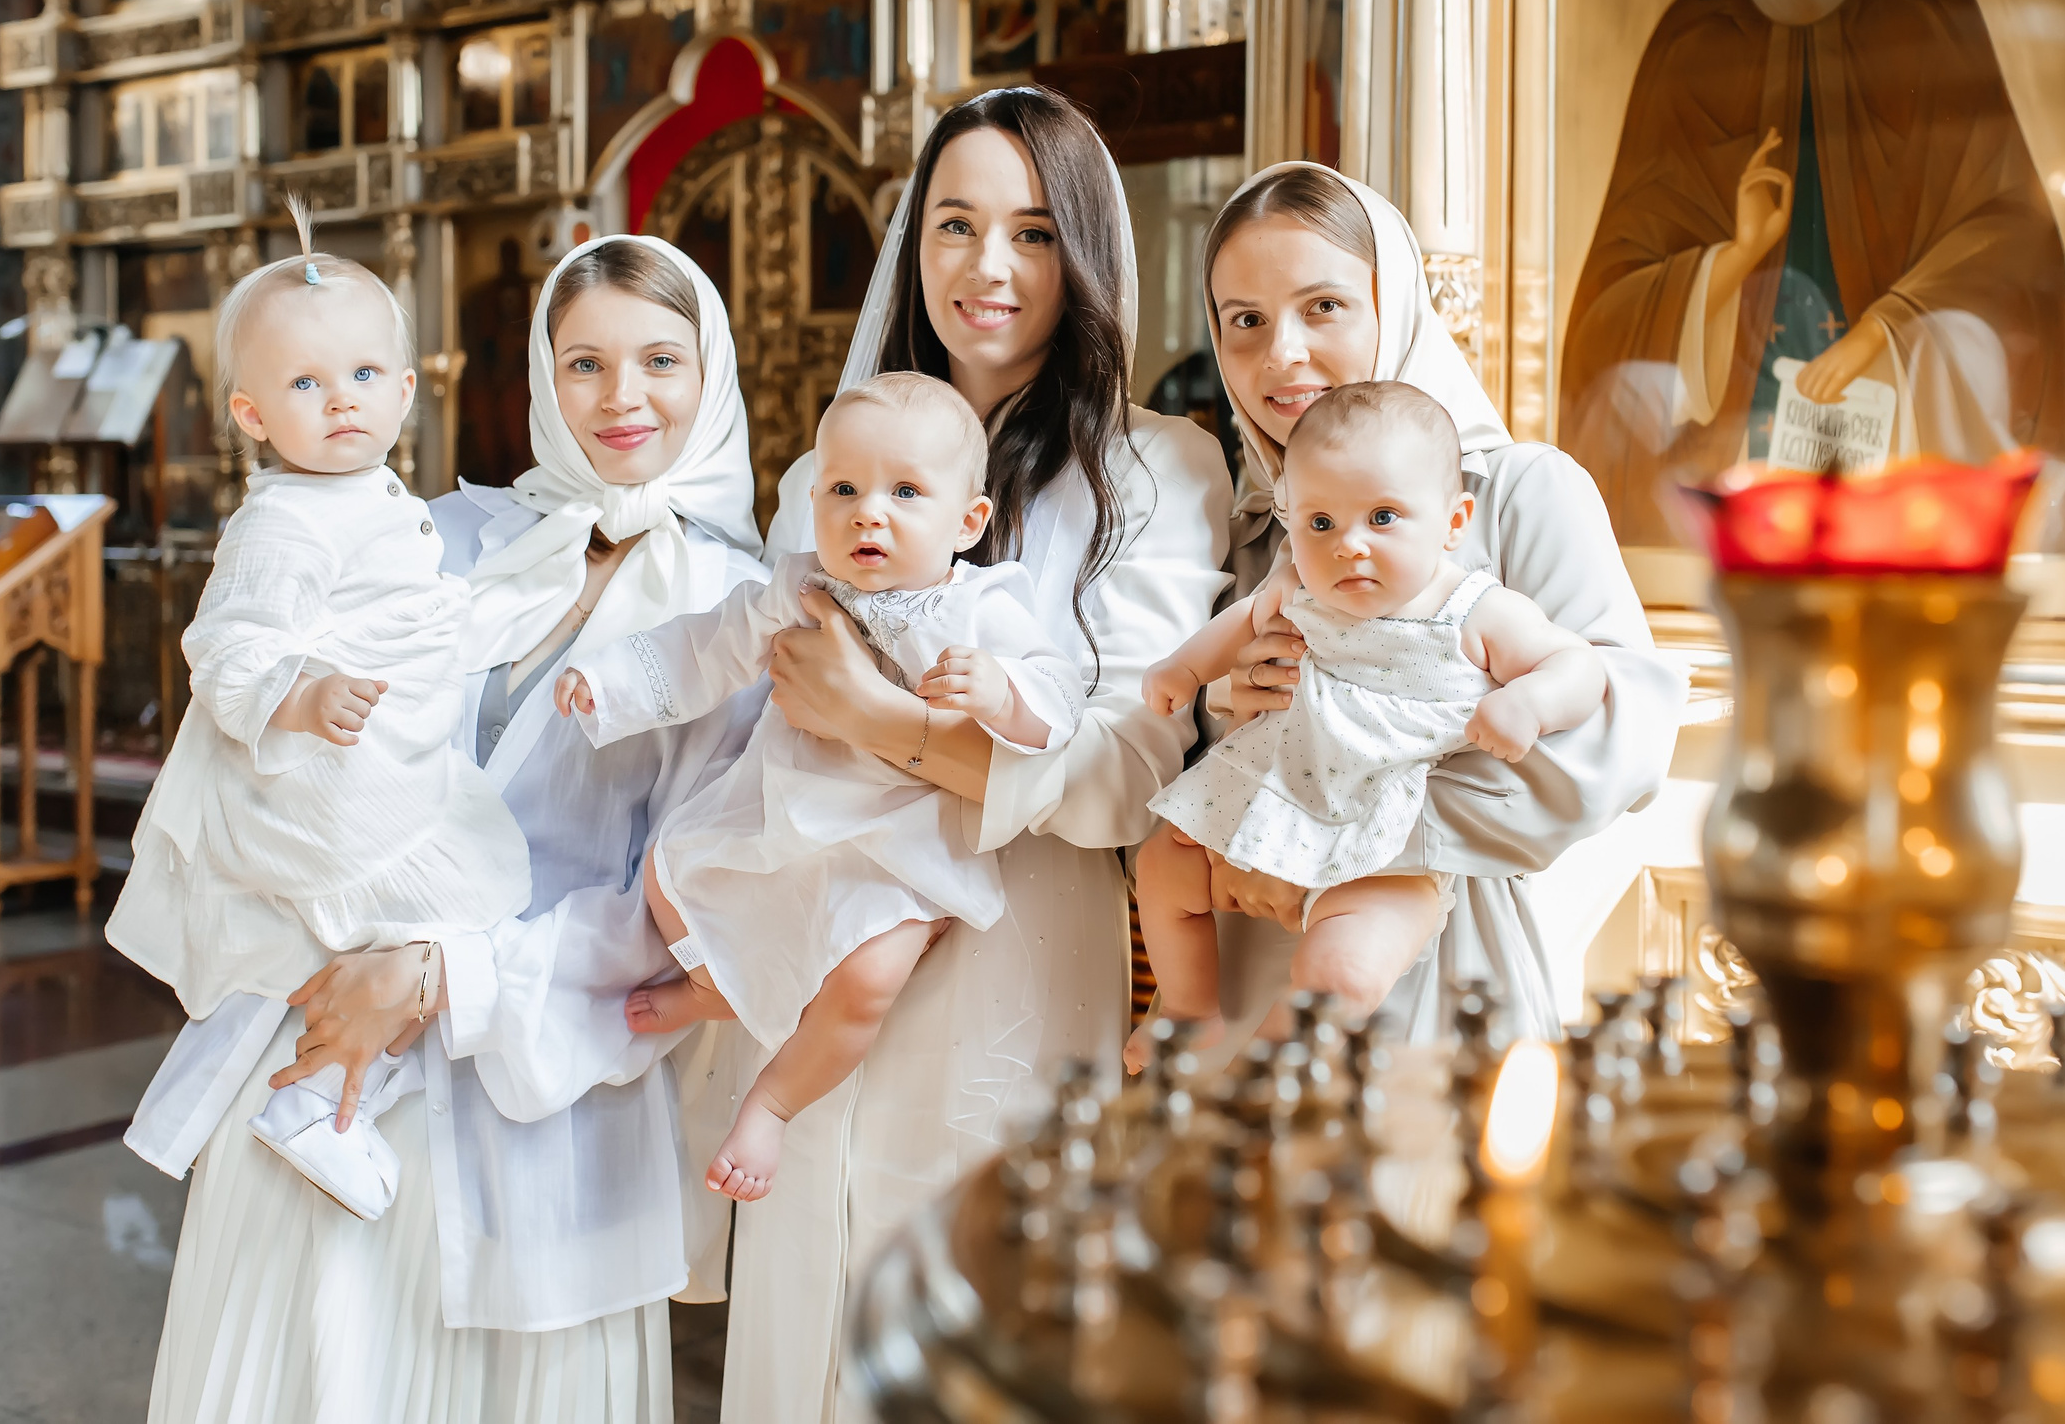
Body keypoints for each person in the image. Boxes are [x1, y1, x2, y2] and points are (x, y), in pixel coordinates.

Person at [128, 233, 768, 1423]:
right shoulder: (440, 535)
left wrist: (434, 975)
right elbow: (258, 729)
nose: (621, 398)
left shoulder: (743, 616)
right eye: (584, 363)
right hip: (320, 1027)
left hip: (536, 1070)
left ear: (711, 371)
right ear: (537, 374)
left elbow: (690, 899)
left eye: (660, 360)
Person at [717, 85, 1235, 1419]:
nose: (987, 267)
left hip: (1011, 956)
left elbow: (1130, 767)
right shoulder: (831, 464)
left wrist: (882, 720)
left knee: (965, 1344)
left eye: (1033, 232)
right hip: (825, 951)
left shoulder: (1157, 468)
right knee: (803, 1332)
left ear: (1087, 254)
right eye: (955, 224)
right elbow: (753, 701)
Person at [1175, 161, 1682, 1048]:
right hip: (1249, 958)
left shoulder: (1522, 489)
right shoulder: (1244, 519)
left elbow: (1617, 743)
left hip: (1445, 979)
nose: (1282, 355)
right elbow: (1167, 747)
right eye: (1245, 322)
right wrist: (1221, 710)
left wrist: (1337, 833)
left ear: (1394, 302)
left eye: (1323, 306)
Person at [558, 372, 1081, 1200]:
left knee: (867, 979)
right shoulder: (800, 587)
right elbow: (709, 645)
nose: (868, 510)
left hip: (902, 847)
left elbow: (1059, 702)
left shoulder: (982, 607)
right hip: (790, 803)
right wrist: (615, 680)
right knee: (672, 870)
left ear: (968, 521)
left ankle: (772, 1101)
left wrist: (999, 693)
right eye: (843, 488)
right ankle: (713, 984)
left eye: (906, 491)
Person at [110, 204, 533, 1221]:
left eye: (361, 378)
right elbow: (227, 648)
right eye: (305, 384)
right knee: (443, 906)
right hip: (319, 781)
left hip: (376, 757)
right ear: (253, 416)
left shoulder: (376, 497)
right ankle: (310, 1107)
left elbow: (415, 613)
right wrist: (298, 696)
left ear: (405, 390)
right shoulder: (283, 522)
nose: (340, 402)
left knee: (418, 932)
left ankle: (340, 1092)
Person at [1559, 0, 2065, 548]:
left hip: (1899, 398)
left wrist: (1888, 329)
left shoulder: (1930, 11)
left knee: (1965, 344)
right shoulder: (1693, 38)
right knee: (1630, 388)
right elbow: (1610, 297)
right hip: (1729, 409)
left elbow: (2010, 225)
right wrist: (1732, 261)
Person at [1131, 381, 1609, 1068]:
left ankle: (1265, 1066)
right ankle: (1188, 1008)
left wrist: (1529, 701)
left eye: (1382, 517)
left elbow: (1578, 666)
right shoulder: (1298, 585)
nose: (1348, 545)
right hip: (1276, 801)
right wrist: (1184, 669)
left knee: (1344, 975)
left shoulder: (1472, 610)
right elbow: (1240, 624)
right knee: (1163, 863)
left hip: (1389, 840)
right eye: (1320, 523)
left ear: (1454, 521)